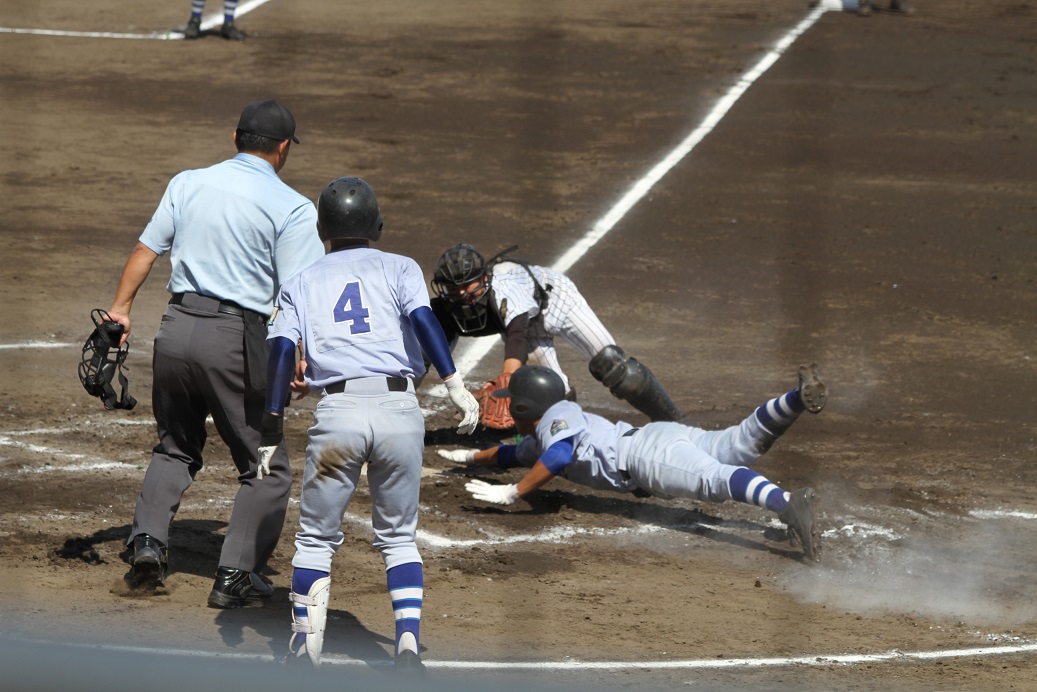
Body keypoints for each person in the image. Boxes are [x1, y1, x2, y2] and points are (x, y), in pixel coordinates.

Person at [106, 99, 325, 607]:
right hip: (236, 340)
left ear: (235, 138)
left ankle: (147, 543)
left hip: (176, 330)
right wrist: (298, 358)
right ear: (284, 148)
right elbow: (298, 294)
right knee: (264, 463)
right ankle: (236, 576)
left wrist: (120, 310)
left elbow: (145, 251)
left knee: (175, 446)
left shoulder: (187, 182)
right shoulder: (293, 207)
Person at [258, 177, 481, 672]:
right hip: (400, 414)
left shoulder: (300, 282)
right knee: (399, 537)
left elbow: (279, 352)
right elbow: (424, 321)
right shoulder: (400, 267)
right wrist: (453, 381)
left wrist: (272, 422)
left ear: (323, 229)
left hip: (338, 417)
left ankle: (303, 651)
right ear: (376, 224)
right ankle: (405, 646)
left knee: (316, 539)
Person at [442, 363, 828, 561]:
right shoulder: (547, 431)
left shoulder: (558, 420)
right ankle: (796, 397)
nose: (508, 405)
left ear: (528, 406)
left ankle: (788, 504)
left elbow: (558, 457)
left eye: (513, 401)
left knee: (716, 478)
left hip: (646, 458)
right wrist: (467, 457)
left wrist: (514, 492)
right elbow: (511, 454)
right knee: (739, 443)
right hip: (658, 437)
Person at [430, 243, 684, 423]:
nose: (461, 293)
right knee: (551, 391)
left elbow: (516, 338)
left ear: (484, 278)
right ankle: (566, 434)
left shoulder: (504, 292)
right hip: (530, 324)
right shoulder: (447, 307)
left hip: (558, 300)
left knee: (617, 368)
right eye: (453, 287)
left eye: (467, 285)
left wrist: (507, 380)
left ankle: (674, 421)